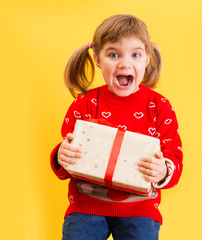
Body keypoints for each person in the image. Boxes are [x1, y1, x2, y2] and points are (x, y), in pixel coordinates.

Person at [50, 14, 183, 240]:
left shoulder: (160, 107)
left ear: (147, 59)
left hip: (140, 209)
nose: (124, 63)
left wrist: (163, 170)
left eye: (135, 54)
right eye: (113, 54)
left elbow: (174, 157)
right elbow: (67, 152)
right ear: (98, 60)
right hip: (86, 206)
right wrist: (61, 155)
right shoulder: (84, 104)